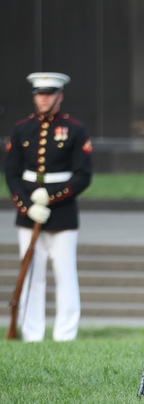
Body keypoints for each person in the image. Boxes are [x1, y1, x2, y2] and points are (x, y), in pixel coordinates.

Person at [4, 71, 92, 342]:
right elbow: (12, 173)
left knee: (65, 273)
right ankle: (32, 334)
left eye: (49, 94)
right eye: (39, 94)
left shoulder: (75, 129)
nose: (43, 99)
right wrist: (27, 205)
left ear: (59, 96)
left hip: (63, 212)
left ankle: (65, 334)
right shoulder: (21, 129)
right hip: (29, 213)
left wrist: (51, 196)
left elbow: (82, 175)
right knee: (32, 274)